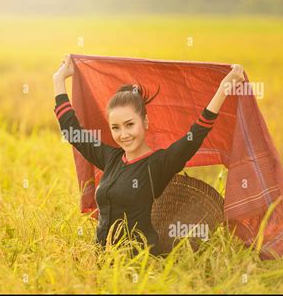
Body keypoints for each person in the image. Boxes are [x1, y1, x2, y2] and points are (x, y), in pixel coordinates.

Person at [53, 54, 245, 256]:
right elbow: (71, 130)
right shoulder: (110, 158)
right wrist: (58, 80)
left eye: (130, 125)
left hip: (142, 263)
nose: (123, 134)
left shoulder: (158, 164)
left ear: (145, 122)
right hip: (104, 262)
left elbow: (194, 136)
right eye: (116, 128)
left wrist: (224, 89)